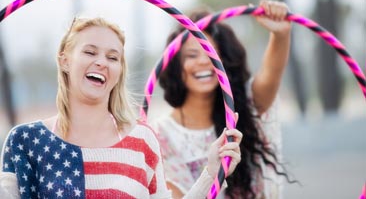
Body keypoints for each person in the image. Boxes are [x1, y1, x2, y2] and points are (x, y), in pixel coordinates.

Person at [0, 17, 243, 198]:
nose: (101, 62)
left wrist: (211, 173)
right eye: (90, 51)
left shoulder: (142, 139)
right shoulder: (25, 141)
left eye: (112, 57)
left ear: (119, 71)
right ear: (64, 60)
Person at [154, 0, 294, 199]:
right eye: (192, 55)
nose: (203, 61)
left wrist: (281, 34)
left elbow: (272, 72)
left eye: (212, 54)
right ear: (177, 66)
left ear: (225, 62)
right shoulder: (161, 137)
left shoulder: (246, 107)